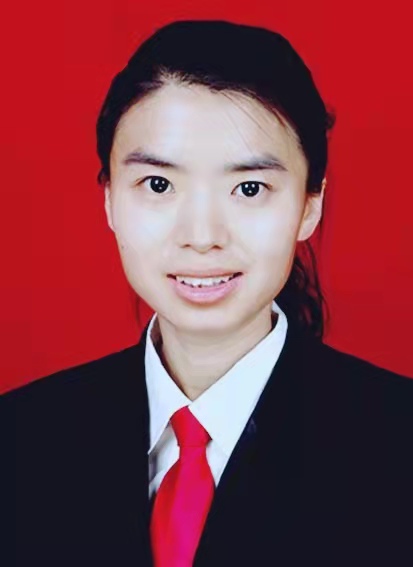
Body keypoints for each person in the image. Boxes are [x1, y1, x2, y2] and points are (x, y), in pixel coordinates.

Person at [1, 19, 413, 567]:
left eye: (249, 188)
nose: (201, 236)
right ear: (109, 199)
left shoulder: (398, 446)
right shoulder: (19, 440)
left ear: (309, 205)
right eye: (158, 184)